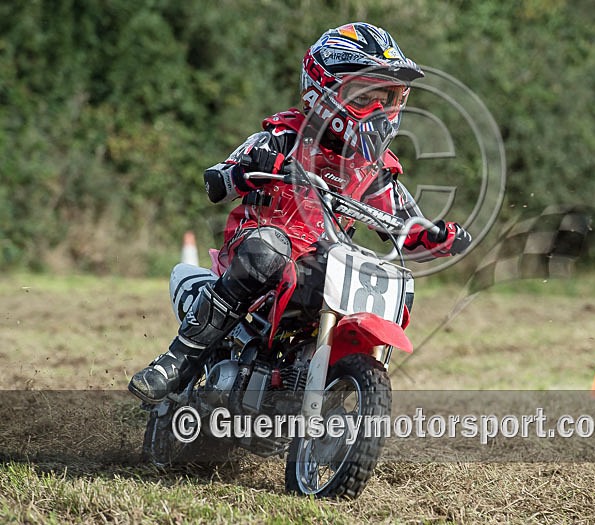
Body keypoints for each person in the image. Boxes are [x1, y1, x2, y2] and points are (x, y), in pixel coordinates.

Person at [128, 22, 472, 404]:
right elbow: (217, 183)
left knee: (393, 281)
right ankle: (178, 362)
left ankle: (335, 387)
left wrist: (436, 234)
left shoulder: (372, 170)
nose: (380, 110)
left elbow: (407, 223)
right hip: (261, 249)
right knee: (268, 247)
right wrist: (255, 167)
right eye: (366, 96)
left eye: (389, 97)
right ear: (323, 91)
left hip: (323, 261)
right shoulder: (284, 136)